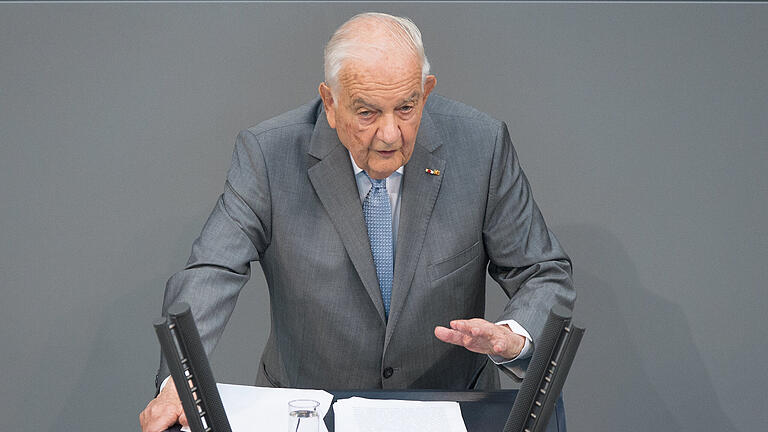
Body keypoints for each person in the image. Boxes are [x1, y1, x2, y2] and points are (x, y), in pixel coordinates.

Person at [140, 12, 575, 432]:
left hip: (446, 408)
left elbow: (542, 272)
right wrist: (180, 381)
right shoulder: (267, 155)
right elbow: (211, 272)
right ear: (330, 102)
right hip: (307, 411)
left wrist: (513, 336)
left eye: (406, 108)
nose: (390, 134)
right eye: (367, 112)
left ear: (426, 92)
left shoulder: (482, 146)